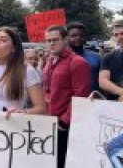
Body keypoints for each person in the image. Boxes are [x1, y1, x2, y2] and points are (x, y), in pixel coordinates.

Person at [42, 25, 91, 168]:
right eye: (48, 40)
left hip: (66, 127)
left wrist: (64, 122)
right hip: (49, 122)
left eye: (55, 40)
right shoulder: (49, 61)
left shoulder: (78, 62)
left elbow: (80, 96)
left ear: (65, 40)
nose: (51, 43)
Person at [99, 20, 123, 100]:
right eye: (116, 35)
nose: (119, 37)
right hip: (115, 104)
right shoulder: (108, 57)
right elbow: (103, 81)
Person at [67, 22, 102, 92]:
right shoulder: (60, 58)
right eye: (74, 36)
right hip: (70, 100)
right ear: (67, 38)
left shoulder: (97, 57)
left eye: (81, 35)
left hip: (93, 99)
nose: (78, 38)